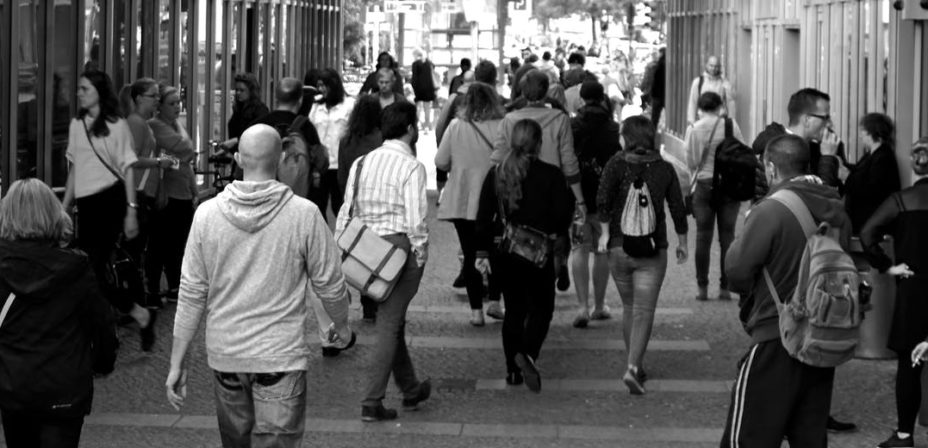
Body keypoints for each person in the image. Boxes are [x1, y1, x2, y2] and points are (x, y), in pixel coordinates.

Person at [166, 124, 355, 447]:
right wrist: (342, 325)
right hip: (280, 357)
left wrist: (177, 362)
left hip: (227, 356)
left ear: (238, 158)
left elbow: (192, 293)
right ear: (280, 158)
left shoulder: (207, 215)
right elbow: (331, 285)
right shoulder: (304, 215)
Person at [720, 134, 851, 447]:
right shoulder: (835, 209)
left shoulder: (771, 211)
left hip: (776, 333)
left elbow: (736, 272)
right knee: (809, 437)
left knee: (748, 437)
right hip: (821, 338)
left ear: (770, 168)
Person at [0, 179, 117, 448]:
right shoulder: (76, 267)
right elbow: (101, 327)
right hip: (64, 390)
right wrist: (101, 364)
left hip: (13, 387)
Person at [335, 102, 432, 422]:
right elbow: (415, 220)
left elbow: (347, 209)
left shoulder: (362, 162)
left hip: (365, 249)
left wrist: (341, 246)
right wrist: (420, 254)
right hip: (397, 250)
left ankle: (410, 388)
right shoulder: (412, 167)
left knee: (393, 321)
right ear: (410, 129)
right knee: (389, 324)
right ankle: (371, 401)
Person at [475, 119, 575, 392]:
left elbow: (483, 217)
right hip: (538, 253)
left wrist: (481, 251)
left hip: (504, 252)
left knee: (514, 311)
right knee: (542, 307)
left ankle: (512, 371)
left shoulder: (497, 173)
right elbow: (562, 215)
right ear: (539, 144)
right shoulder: (552, 175)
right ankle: (528, 354)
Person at [62, 69, 155, 351]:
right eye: (79, 88)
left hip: (111, 201)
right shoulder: (77, 125)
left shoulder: (117, 125)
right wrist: (65, 206)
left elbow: (127, 169)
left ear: (100, 92)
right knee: (88, 270)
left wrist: (130, 210)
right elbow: (75, 167)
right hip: (87, 204)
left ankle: (102, 336)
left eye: (85, 88)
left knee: (90, 268)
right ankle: (137, 314)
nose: (79, 93)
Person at [596, 116, 688, 394]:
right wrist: (682, 241)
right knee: (644, 311)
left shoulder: (615, 164)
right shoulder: (664, 169)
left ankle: (633, 362)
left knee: (629, 308)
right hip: (652, 248)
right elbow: (677, 207)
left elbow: (602, 200)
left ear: (628, 138)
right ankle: (634, 367)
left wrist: (603, 234)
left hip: (618, 248)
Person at [860, 138, 928, 448]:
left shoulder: (902, 200)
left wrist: (887, 267)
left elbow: (867, 234)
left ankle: (904, 434)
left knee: (909, 365)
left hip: (914, 288)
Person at [493, 70, 587, 291]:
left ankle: (523, 282)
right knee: (556, 233)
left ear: (523, 92)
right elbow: (569, 159)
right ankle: (556, 267)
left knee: (519, 232)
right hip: (553, 185)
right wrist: (579, 198)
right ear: (546, 91)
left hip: (517, 182)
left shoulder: (509, 120)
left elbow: (497, 157)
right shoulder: (560, 119)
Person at [435, 82, 507, 327]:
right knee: (497, 252)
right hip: (496, 202)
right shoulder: (502, 126)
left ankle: (476, 311)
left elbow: (441, 161)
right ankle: (496, 301)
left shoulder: (456, 126)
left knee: (469, 254)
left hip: (463, 200)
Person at [684, 92, 745, 302]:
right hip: (728, 185)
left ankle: (702, 288)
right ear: (720, 107)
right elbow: (742, 151)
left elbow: (690, 161)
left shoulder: (693, 129)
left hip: (704, 185)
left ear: (700, 109)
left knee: (703, 236)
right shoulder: (730, 126)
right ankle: (725, 288)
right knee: (727, 236)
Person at [119, 77, 175, 309]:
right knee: (134, 248)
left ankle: (136, 296)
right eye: (153, 96)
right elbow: (130, 160)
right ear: (139, 98)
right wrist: (157, 162)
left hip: (145, 191)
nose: (157, 101)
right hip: (138, 193)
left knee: (138, 247)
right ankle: (132, 298)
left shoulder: (142, 122)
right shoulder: (136, 123)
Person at [570, 81, 621, 329]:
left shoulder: (573, 125)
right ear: (602, 98)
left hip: (578, 195)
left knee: (579, 249)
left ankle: (581, 306)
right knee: (602, 251)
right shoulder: (612, 127)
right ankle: (599, 306)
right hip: (604, 198)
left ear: (581, 99)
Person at [147, 85, 197, 303]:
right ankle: (154, 289)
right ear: (159, 106)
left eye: (179, 102)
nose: (177, 107)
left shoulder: (176, 124)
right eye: (172, 103)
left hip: (183, 191)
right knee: (161, 243)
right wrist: (180, 157)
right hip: (167, 193)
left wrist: (194, 187)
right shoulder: (155, 125)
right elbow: (184, 149)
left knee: (178, 243)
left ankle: (175, 286)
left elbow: (186, 156)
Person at [337, 94, 383, 324]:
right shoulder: (381, 139)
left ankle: (363, 300)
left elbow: (342, 176)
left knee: (359, 252)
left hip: (355, 203)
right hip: (378, 203)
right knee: (377, 253)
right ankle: (372, 300)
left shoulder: (346, 141)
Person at [752, 88, 844, 195]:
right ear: (807, 120)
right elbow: (817, 200)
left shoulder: (818, 148)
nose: (830, 124)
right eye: (825, 118)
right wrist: (828, 159)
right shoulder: (777, 151)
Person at [253, 77, 325, 199]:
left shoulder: (259, 125)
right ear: (300, 99)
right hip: (298, 196)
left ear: (276, 98)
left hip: (264, 194)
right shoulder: (306, 127)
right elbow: (321, 162)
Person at [309, 68, 355, 220]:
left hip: (339, 165)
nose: (321, 89)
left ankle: (344, 240)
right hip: (320, 166)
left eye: (324, 85)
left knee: (340, 206)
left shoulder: (348, 105)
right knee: (318, 205)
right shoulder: (316, 106)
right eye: (319, 86)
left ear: (333, 85)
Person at [843, 113, 901, 234]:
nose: (860, 136)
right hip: (865, 219)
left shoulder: (883, 157)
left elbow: (871, 188)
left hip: (870, 220)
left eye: (863, 131)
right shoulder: (872, 154)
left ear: (872, 132)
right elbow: (859, 171)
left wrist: (847, 176)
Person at [220, 73, 269, 154]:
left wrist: (235, 141)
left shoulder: (260, 110)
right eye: (237, 90)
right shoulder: (238, 110)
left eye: (242, 90)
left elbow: (260, 136)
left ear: (251, 91)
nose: (238, 93)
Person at [686, 56, 735, 126]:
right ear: (706, 65)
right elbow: (693, 102)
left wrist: (731, 122)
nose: (713, 68)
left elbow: (730, 103)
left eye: (716, 66)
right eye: (711, 66)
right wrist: (691, 121)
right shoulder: (698, 82)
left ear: (720, 67)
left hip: (719, 122)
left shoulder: (724, 83)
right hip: (702, 121)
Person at [410, 48, 438, 132]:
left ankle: (418, 124)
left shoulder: (415, 64)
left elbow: (414, 78)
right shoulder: (429, 63)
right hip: (429, 88)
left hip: (419, 89)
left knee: (418, 107)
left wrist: (413, 88)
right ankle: (427, 125)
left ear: (415, 55)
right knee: (427, 108)